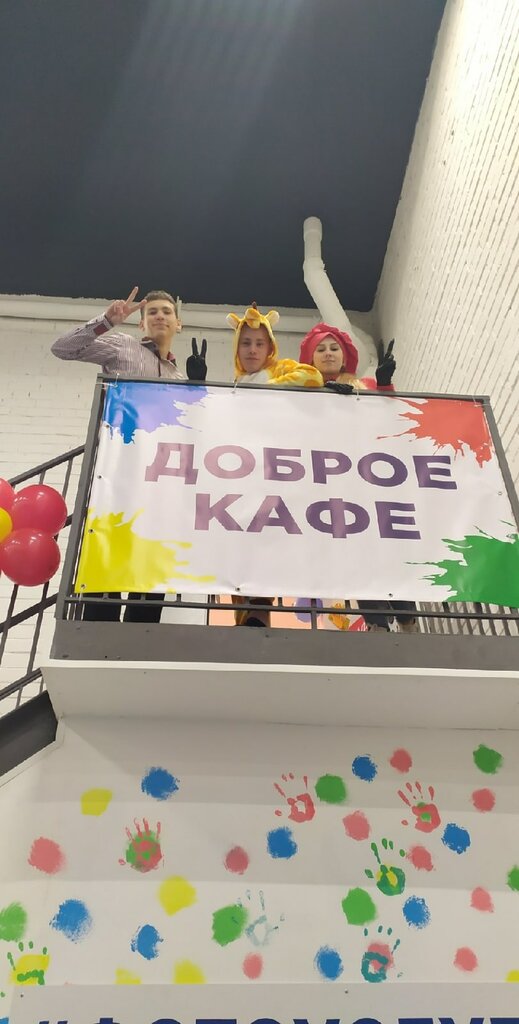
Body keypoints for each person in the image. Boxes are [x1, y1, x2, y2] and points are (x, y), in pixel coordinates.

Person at [52, 287, 207, 623]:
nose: (160, 316)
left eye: (166, 311)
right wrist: (106, 321)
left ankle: (141, 634)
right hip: (118, 476)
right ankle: (96, 634)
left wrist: (197, 389)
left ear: (178, 324)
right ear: (141, 323)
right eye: (152, 312)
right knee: (107, 569)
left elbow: (191, 432)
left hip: (161, 482)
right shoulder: (123, 345)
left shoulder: (179, 376)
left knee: (150, 573)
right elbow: (62, 349)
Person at [298, 323, 418, 634]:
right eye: (320, 349)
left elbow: (391, 420)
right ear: (310, 358)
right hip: (333, 482)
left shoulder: (364, 385)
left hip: (372, 477)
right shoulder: (301, 392)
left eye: (333, 348)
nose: (328, 354)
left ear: (345, 355)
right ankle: (377, 624)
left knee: (390, 546)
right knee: (360, 552)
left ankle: (408, 619)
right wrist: (324, 397)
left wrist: (385, 385)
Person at [227, 304, 323, 626]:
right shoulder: (234, 383)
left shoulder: (279, 368)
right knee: (242, 543)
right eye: (246, 343)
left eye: (259, 343)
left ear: (270, 347)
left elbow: (312, 376)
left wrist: (266, 391)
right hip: (243, 471)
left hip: (276, 468)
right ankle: (245, 619)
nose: (252, 350)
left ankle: (261, 613)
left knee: (267, 536)